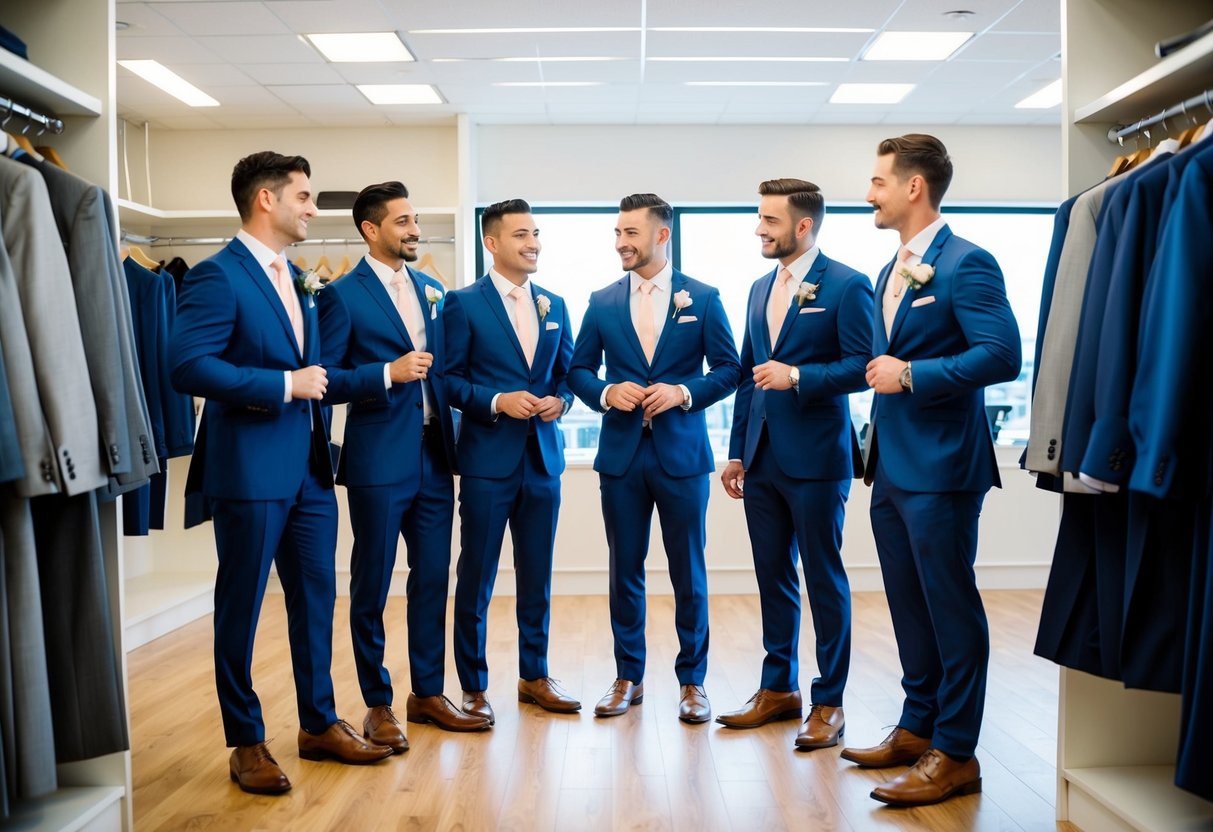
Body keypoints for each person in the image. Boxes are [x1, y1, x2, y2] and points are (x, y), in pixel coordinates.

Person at [170, 151, 392, 796]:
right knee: (239, 608)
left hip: (312, 474)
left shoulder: (301, 280)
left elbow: (319, 376)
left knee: (317, 601)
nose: (313, 208)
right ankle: (246, 741)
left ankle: (319, 724)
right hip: (249, 471)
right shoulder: (218, 277)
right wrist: (281, 384)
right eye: (304, 196)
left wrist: (380, 373)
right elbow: (187, 366)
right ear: (266, 200)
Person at [844, 134, 1021, 806]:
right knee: (907, 604)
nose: (869, 194)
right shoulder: (894, 267)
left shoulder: (967, 264)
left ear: (912, 187)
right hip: (889, 466)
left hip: (944, 468)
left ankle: (955, 752)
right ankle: (916, 726)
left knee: (949, 608)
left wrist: (911, 373)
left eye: (878, 181)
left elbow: (1000, 356)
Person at [317, 181, 490, 748]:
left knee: (433, 578)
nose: (415, 230)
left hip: (435, 456)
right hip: (376, 461)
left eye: (416, 220)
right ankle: (377, 702)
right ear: (371, 229)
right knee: (371, 582)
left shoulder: (434, 288)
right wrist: (385, 373)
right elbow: (326, 381)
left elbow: (447, 369)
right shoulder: (341, 295)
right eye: (403, 221)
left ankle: (428, 693)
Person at [569, 193, 740, 723]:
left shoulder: (704, 298)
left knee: (689, 571)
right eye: (617, 233)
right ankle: (628, 678)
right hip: (621, 458)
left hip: (682, 456)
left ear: (661, 235)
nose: (621, 242)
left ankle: (693, 682)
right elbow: (577, 371)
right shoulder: (601, 301)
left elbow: (730, 369)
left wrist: (684, 393)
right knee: (625, 570)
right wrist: (604, 393)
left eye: (631, 233)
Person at [715, 179, 873, 751]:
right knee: (773, 578)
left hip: (817, 459)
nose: (759, 228)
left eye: (769, 220)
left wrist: (800, 376)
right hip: (760, 459)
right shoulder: (759, 288)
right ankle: (776, 688)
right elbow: (746, 377)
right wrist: (736, 451)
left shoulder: (849, 284)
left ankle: (828, 701)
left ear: (803, 226)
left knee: (823, 579)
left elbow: (863, 366)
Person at [442, 198, 580, 723]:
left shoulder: (556, 304)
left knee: (536, 575)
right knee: (475, 574)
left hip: (542, 461)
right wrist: (497, 401)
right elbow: (449, 381)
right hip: (485, 461)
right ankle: (473, 686)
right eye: (522, 234)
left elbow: (567, 374)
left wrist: (561, 401)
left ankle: (534, 675)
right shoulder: (462, 303)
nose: (534, 242)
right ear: (493, 242)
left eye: (537, 233)